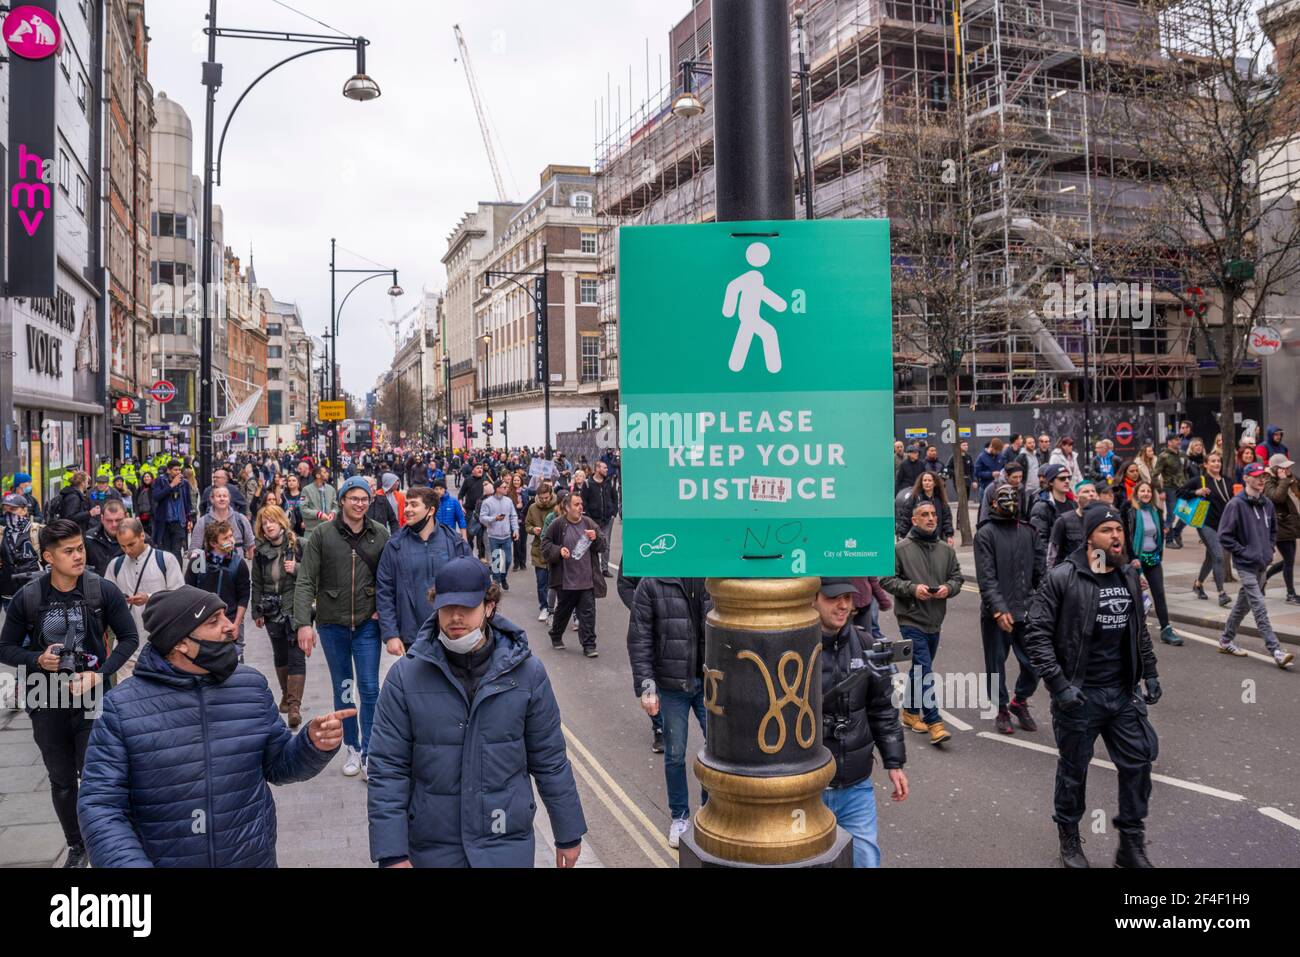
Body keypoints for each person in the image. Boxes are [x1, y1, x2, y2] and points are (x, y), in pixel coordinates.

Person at [76, 585, 348, 866]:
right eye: (213, 622)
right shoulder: (120, 708)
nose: (230, 627)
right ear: (180, 642)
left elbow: (278, 765)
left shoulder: (251, 687)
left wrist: (311, 745)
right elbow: (101, 806)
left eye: (225, 616)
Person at [367, 557, 588, 867]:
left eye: (466, 607)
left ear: (489, 606)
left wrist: (568, 832)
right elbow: (388, 767)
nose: (455, 617)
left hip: (505, 844)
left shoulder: (528, 674)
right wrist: (391, 852)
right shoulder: (405, 677)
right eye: (446, 607)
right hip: (434, 847)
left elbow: (549, 759)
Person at [1023, 505, 1161, 868]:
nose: (1116, 536)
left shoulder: (1128, 577)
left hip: (1122, 694)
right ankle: (1069, 839)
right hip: (1079, 696)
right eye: (1107, 530)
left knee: (1138, 761)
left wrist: (1150, 673)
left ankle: (1130, 845)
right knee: (1074, 770)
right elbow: (1036, 635)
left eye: (1119, 529)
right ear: (1089, 538)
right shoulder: (1062, 578)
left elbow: (1139, 633)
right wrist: (1059, 685)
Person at [0, 519, 140, 868]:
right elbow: (4, 648)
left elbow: (130, 639)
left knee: (95, 777)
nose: (79, 556)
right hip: (45, 699)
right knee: (62, 780)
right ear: (48, 557)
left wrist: (99, 675)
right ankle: (76, 846)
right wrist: (37, 659)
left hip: (92, 697)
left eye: (80, 548)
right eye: (69, 551)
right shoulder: (28, 597)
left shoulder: (101, 590)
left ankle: (106, 843)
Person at [293, 475, 390, 778]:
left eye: (364, 499)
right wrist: (303, 623)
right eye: (354, 498)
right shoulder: (323, 534)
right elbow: (306, 579)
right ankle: (353, 745)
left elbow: (390, 579)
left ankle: (372, 749)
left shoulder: (380, 534)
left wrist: (383, 612)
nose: (360, 504)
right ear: (343, 500)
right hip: (332, 623)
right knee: (344, 687)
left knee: (370, 688)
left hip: (366, 623)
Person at [814, 578, 908, 868]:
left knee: (866, 860)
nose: (843, 605)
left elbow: (883, 709)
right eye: (833, 598)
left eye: (848, 597)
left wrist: (894, 763)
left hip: (855, 784)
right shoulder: (794, 648)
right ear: (812, 598)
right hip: (807, 789)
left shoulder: (866, 643)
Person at [627, 576, 710, 847]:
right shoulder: (652, 581)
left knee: (719, 753)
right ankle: (680, 816)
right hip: (672, 684)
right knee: (674, 754)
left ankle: (711, 813)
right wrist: (647, 687)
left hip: (712, 683)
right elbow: (639, 639)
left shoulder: (712, 572)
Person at [881, 499, 963, 746]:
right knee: (925, 669)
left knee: (919, 669)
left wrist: (948, 588)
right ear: (914, 520)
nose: (930, 518)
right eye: (924, 515)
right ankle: (934, 722)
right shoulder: (901, 549)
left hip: (935, 619)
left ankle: (908, 712)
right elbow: (886, 580)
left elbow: (957, 577)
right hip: (911, 619)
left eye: (933, 515)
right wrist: (912, 589)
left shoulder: (946, 550)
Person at [975, 484, 1044, 735]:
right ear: (992, 503)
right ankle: (1001, 708)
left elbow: (1041, 574)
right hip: (997, 615)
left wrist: (1048, 605)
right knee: (996, 665)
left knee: (1035, 663)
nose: (1009, 503)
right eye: (1002, 498)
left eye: (1013, 498)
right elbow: (987, 577)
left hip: (1027, 611)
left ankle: (1020, 701)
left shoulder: (1029, 532)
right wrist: (997, 609)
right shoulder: (985, 534)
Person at [376, 486, 470, 657]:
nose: (407, 510)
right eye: (406, 505)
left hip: (451, 632)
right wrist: (391, 634)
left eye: (414, 505)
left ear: (430, 510)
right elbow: (384, 591)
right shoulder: (395, 545)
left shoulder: (455, 542)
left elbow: (471, 587)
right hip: (412, 636)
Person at [1217, 464, 1295, 668]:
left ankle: (1225, 640)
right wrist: (1245, 552)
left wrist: (1269, 551)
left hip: (1261, 563)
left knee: (1242, 606)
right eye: (1257, 476)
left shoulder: (1267, 504)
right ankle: (1276, 650)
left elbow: (1273, 531)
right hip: (1245, 565)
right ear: (1246, 478)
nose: (1261, 480)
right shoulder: (1236, 505)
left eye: (1263, 476)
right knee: (1259, 606)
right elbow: (1224, 536)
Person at [103, 517, 185, 681]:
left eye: (131, 544)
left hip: (161, 646)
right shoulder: (115, 565)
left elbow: (180, 597)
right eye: (122, 546)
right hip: (126, 646)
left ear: (142, 536)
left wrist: (149, 598)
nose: (127, 550)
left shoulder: (166, 559)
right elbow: (105, 601)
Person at [251, 505, 307, 727]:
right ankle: (286, 694)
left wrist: (297, 568)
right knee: (280, 654)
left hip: (295, 607)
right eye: (264, 523)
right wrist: (256, 609)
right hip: (271, 608)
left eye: (272, 521)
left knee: (296, 655)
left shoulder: (299, 545)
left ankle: (294, 706)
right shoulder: (260, 551)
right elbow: (256, 582)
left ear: (282, 522)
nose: (268, 526)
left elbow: (315, 574)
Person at [540, 491, 606, 658]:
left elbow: (603, 546)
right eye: (577, 504)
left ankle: (589, 645)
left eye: (581, 504)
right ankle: (555, 635)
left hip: (586, 580)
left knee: (588, 614)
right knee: (563, 611)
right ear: (567, 507)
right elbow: (545, 545)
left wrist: (596, 537)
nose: (580, 507)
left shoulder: (588, 523)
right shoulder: (557, 525)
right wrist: (558, 551)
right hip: (566, 581)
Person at [185, 520, 252, 663]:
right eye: (226, 538)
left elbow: (244, 596)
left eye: (231, 536)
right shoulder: (199, 562)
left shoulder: (238, 563)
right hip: (203, 623)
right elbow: (189, 591)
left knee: (233, 663)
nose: (231, 541)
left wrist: (236, 624)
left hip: (229, 621)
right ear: (214, 543)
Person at [1124, 480, 1179, 647]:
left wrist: (1159, 554)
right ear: (1136, 493)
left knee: (1159, 594)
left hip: (1153, 559)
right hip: (1135, 560)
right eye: (1142, 491)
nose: (1146, 494)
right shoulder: (1130, 511)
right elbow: (1126, 536)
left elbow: (1159, 537)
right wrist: (1132, 558)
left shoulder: (1157, 511)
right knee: (1134, 596)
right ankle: (1132, 630)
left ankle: (1166, 629)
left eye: (1148, 491)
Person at [1177, 450, 1232, 607]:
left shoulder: (1227, 481)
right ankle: (1221, 593)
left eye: (1218, 461)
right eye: (1213, 461)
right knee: (1219, 556)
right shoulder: (1200, 480)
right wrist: (1196, 492)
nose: (1217, 464)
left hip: (1223, 525)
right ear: (1206, 464)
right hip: (1205, 523)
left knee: (1211, 558)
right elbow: (1179, 492)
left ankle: (1198, 584)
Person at [1265, 454, 1299, 604]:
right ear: (1277, 468)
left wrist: (1291, 478)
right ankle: (1290, 594)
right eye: (1286, 467)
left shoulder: (1289, 477)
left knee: (1289, 560)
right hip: (1280, 525)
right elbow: (1277, 497)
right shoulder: (1268, 480)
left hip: (1291, 524)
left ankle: (1263, 578)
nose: (1289, 468)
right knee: (1289, 561)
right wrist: (1284, 480)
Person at [190, 484, 256, 561]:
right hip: (211, 568)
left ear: (229, 499)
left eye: (225, 496)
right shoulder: (203, 522)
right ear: (212, 499)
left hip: (236, 567)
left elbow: (251, 544)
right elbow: (193, 550)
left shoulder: (240, 519)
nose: (222, 499)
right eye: (219, 496)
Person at [524, 483, 559, 623]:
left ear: (551, 494)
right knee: (541, 582)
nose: (544, 500)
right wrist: (534, 530)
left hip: (554, 549)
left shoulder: (557, 507)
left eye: (546, 497)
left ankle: (553, 606)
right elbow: (527, 525)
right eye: (541, 498)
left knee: (555, 582)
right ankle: (543, 607)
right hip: (539, 549)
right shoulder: (532, 508)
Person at [1, 493, 42, 608]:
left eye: (13, 509)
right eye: (5, 510)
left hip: (33, 591)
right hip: (8, 593)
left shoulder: (37, 532)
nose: (9, 513)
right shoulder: (1, 534)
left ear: (24, 510)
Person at [478, 477, 520, 589]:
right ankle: (496, 583)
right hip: (494, 536)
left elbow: (513, 516)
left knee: (507, 561)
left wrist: (515, 530)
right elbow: (482, 518)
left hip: (506, 536)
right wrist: (494, 519)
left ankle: (503, 577)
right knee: (497, 562)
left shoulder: (508, 501)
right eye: (504, 487)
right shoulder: (487, 502)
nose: (507, 488)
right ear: (497, 489)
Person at [1047, 479, 1098, 567]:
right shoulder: (1063, 521)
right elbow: (1052, 555)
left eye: (1093, 491)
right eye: (1086, 491)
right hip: (1071, 574)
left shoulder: (1102, 521)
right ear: (1076, 497)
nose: (1091, 494)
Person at [581, 460, 619, 577]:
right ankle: (594, 568)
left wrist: (614, 512)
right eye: (604, 468)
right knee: (593, 543)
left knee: (606, 543)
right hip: (593, 519)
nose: (607, 470)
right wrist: (587, 516)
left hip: (607, 518)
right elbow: (584, 501)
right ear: (597, 469)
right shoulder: (588, 483)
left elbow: (614, 497)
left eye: (606, 468)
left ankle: (605, 568)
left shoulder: (609, 482)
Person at [150, 460, 194, 560]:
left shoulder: (184, 483)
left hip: (179, 521)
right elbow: (156, 497)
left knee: (177, 551)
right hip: (165, 521)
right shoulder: (160, 481)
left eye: (179, 469)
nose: (178, 472)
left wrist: (189, 519)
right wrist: (171, 486)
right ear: (169, 471)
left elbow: (187, 502)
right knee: (166, 551)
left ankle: (177, 574)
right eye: (175, 470)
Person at [896, 471, 953, 544]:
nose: (927, 482)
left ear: (935, 483)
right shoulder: (914, 498)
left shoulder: (940, 499)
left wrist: (949, 535)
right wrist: (902, 534)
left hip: (936, 538)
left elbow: (947, 518)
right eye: (924, 480)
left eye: (929, 480)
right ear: (921, 483)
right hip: (918, 539)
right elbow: (906, 517)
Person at [1152, 434, 1188, 547]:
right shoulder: (1164, 456)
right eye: (1175, 440)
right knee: (1171, 516)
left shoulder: (1182, 454)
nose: (1179, 441)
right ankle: (1168, 541)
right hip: (1170, 489)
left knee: (1185, 514)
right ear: (1169, 442)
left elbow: (1185, 471)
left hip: (1182, 488)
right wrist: (1160, 491)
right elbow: (1154, 475)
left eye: (1179, 439)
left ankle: (1176, 532)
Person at [1029, 464, 1073, 553]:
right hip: (1054, 561)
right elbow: (1040, 541)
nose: (1067, 481)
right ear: (1051, 482)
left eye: (1069, 478)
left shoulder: (1073, 504)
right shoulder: (1041, 507)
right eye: (1062, 478)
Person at [977, 458, 1030, 526]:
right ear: (1006, 475)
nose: (1018, 480)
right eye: (1015, 477)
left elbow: (1022, 513)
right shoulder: (992, 488)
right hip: (995, 527)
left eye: (1020, 477)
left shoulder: (1020, 487)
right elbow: (984, 513)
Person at [459, 463, 489, 558]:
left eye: (481, 468)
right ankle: (469, 555)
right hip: (470, 511)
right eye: (477, 468)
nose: (480, 469)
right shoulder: (468, 480)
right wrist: (461, 506)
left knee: (481, 536)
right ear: (473, 471)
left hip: (482, 512)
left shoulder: (486, 481)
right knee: (469, 535)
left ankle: (482, 556)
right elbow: (460, 495)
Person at [301, 467, 338, 539]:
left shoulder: (331, 489)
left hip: (329, 530)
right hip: (312, 531)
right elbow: (303, 509)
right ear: (318, 476)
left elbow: (336, 506)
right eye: (324, 472)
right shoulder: (306, 490)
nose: (327, 474)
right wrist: (318, 514)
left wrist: (333, 513)